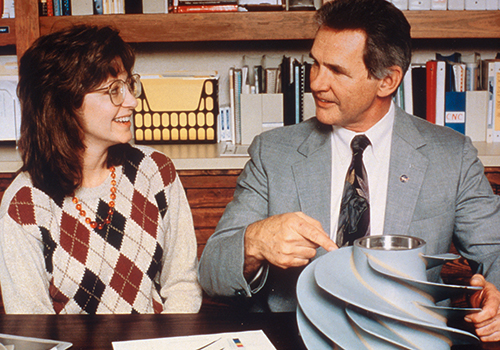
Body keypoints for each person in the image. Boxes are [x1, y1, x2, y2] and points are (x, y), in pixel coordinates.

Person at [199, 0, 500, 342]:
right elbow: (211, 273)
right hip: (292, 338)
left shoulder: (452, 156)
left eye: (337, 71)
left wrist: (497, 298)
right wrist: (252, 244)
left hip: (407, 340)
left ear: (387, 81)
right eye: (315, 64)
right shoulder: (273, 153)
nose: (315, 83)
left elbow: (496, 249)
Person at [0, 25, 202, 314]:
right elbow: (33, 330)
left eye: (129, 84)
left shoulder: (155, 171)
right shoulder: (25, 204)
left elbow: (182, 286)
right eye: (114, 91)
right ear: (65, 103)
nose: (132, 101)